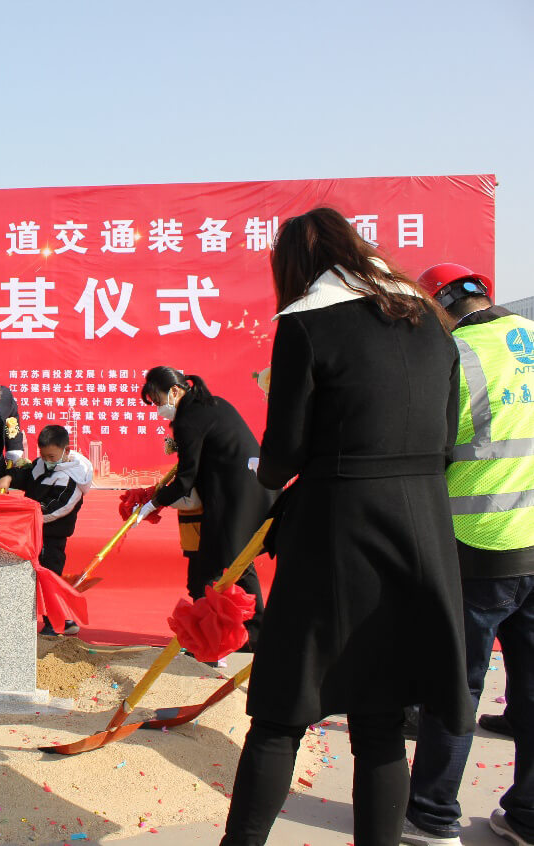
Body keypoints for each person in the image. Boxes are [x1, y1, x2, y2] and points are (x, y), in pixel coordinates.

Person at [221, 207, 471, 846]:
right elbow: (445, 440)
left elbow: (281, 460)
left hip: (336, 533)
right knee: (380, 720)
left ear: (297, 267)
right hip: (422, 531)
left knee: (281, 713)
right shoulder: (429, 322)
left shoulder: (307, 323)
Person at [402, 263, 534, 846]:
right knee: (532, 688)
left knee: (456, 685)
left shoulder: (456, 355)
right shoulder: (529, 335)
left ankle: (433, 816)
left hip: (481, 544)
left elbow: (429, 446)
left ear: (438, 306)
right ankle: (528, 816)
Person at [131, 367, 271, 649]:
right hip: (252, 491)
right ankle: (253, 636)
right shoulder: (211, 404)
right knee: (237, 561)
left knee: (208, 571)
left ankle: (210, 641)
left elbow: (186, 479)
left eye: (158, 401)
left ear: (174, 391)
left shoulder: (189, 419)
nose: (159, 408)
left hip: (235, 495)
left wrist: (152, 504)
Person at [0, 424, 92, 635]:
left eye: (52, 457)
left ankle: (55, 623)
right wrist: (10, 477)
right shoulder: (42, 464)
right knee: (32, 576)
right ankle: (58, 619)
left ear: (66, 451)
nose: (47, 460)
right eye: (43, 455)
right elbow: (28, 476)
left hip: (51, 536)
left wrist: (25, 514)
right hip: (33, 532)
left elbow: (57, 509)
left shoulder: (72, 478)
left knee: (50, 577)